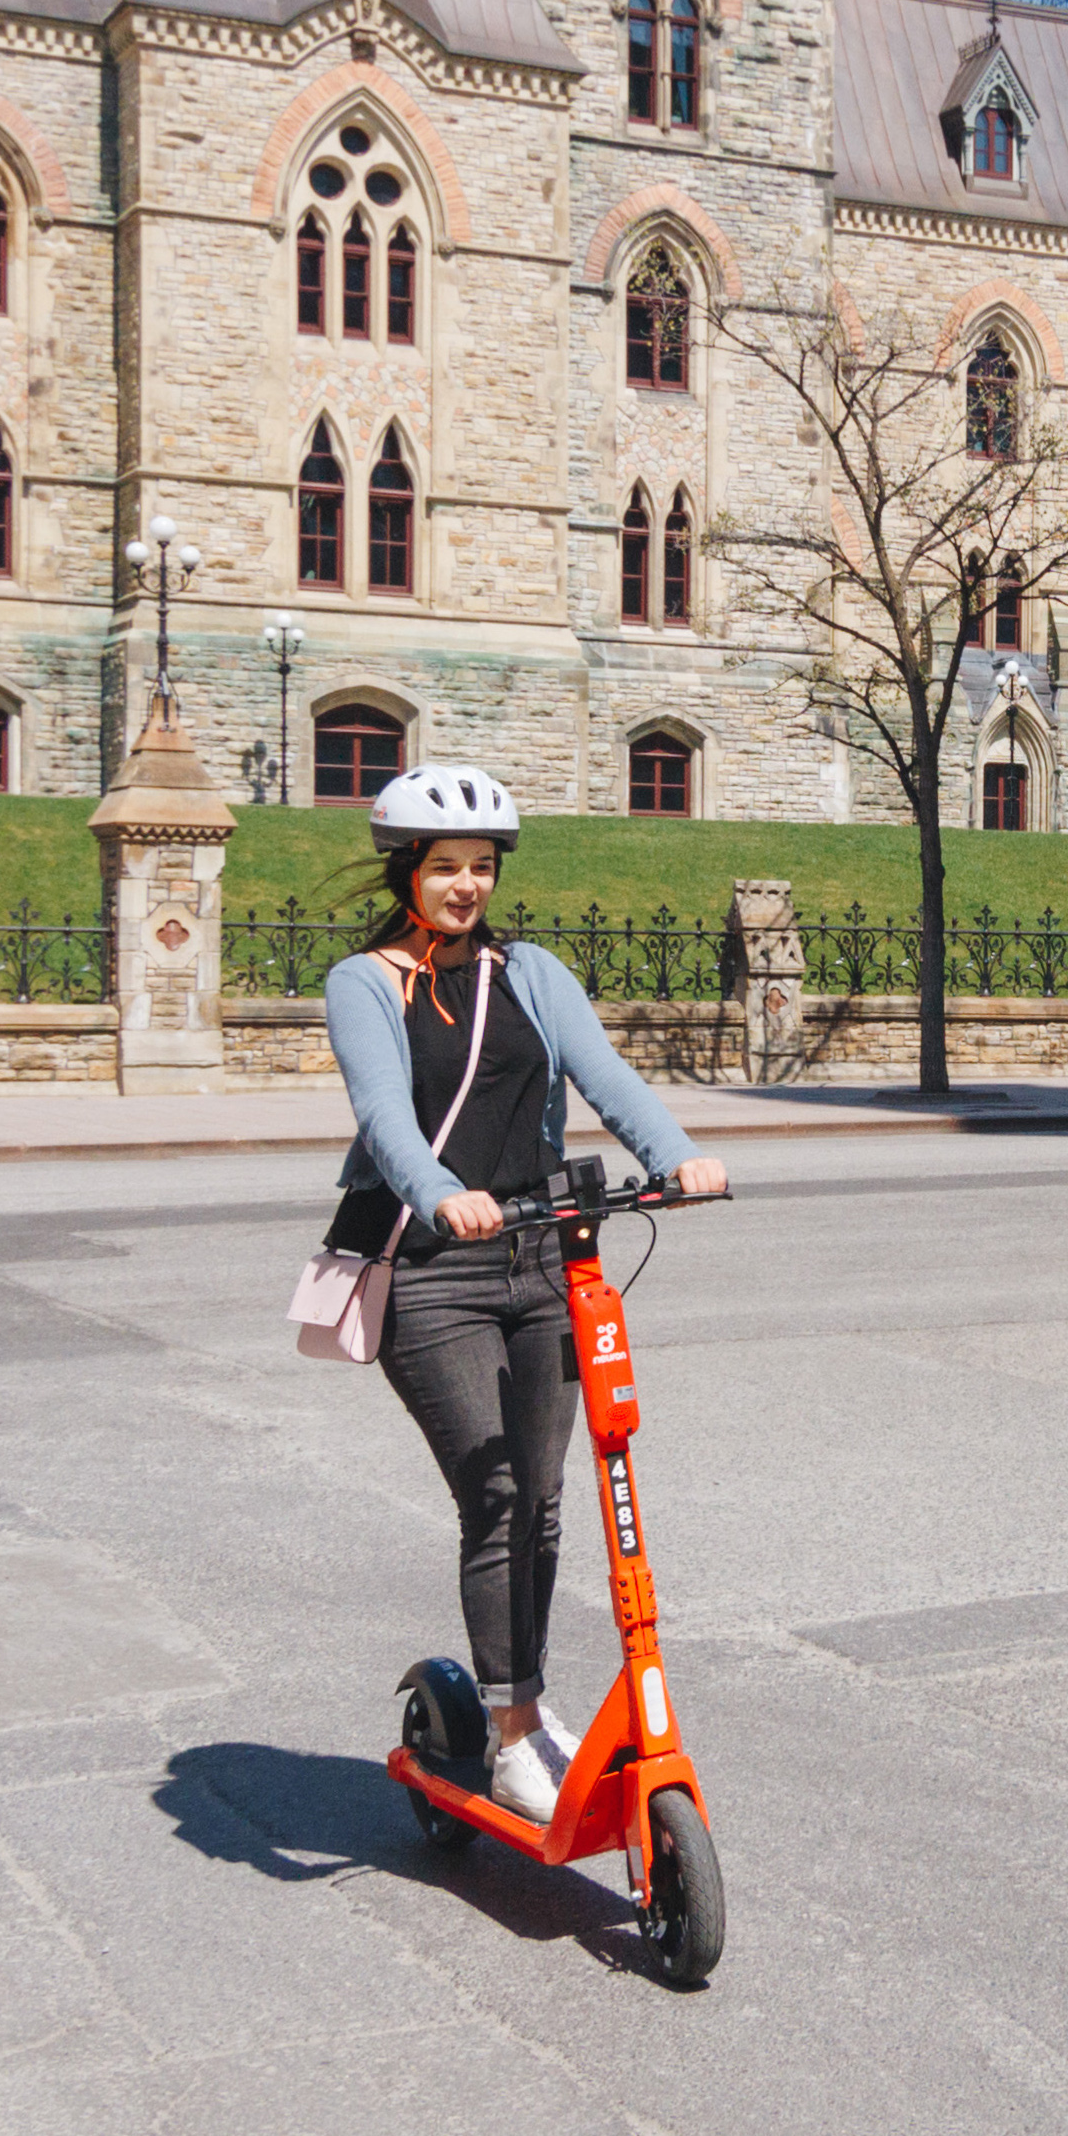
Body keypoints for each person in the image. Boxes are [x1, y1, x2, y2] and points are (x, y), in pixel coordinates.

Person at [325, 765, 728, 1825]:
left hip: (547, 1254)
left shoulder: (533, 972)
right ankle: (510, 1741)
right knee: (497, 1494)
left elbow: (607, 1075)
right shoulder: (363, 984)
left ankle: (521, 1704)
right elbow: (385, 1118)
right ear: (406, 870)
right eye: (445, 867)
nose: (466, 886)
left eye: (481, 868)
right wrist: (441, 1194)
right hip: (434, 1269)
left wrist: (679, 1156)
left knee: (546, 1504)